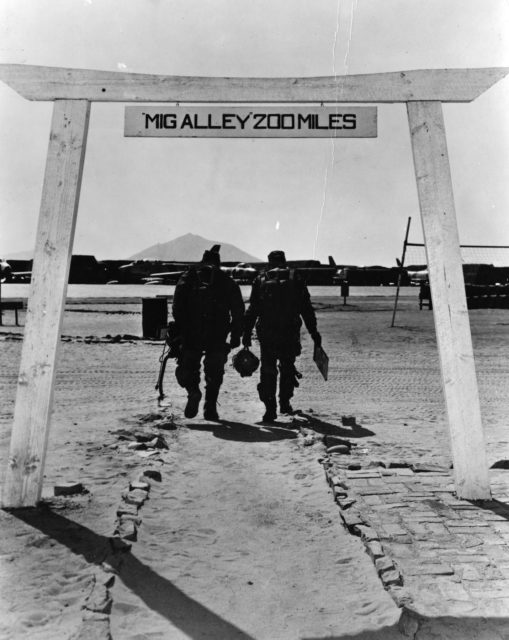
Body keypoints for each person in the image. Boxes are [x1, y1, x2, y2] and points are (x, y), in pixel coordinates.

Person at [242, 250, 321, 421]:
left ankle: (270, 408)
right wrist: (314, 332)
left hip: (267, 334)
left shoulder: (261, 280)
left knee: (268, 369)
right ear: (285, 261)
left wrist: (246, 333)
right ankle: (284, 403)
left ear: (269, 262)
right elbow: (306, 309)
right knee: (287, 368)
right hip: (289, 333)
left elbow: (252, 310)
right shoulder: (295, 278)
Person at [172, 246, 244, 421]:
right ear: (218, 262)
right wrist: (236, 335)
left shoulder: (188, 277)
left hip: (191, 333)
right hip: (218, 333)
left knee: (188, 366)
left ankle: (193, 392)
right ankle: (210, 407)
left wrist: (181, 329)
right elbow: (238, 310)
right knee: (215, 371)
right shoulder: (226, 280)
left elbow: (177, 306)